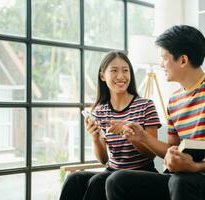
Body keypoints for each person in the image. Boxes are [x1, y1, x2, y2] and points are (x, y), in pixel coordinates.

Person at [105, 25, 205, 200]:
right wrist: (143, 136)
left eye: (164, 58)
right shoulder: (174, 100)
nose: (161, 65)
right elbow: (171, 149)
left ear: (182, 60)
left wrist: (195, 166)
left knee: (180, 181)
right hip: (185, 177)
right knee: (118, 180)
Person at [59, 50, 161, 200]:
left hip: (142, 173)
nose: (121, 76)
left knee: (97, 181)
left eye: (125, 71)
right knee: (74, 179)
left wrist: (131, 136)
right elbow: (103, 159)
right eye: (114, 71)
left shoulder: (146, 106)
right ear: (102, 76)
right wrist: (95, 138)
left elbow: (151, 153)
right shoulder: (100, 111)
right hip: (112, 171)